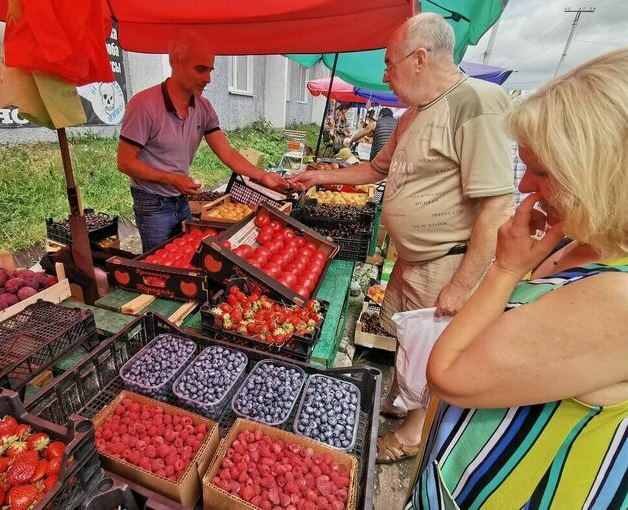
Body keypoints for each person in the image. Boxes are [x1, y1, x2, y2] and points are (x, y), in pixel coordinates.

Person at [407, 47, 628, 509]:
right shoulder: (584, 241)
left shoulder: (617, 299)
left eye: (542, 171)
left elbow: (449, 375)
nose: (525, 185)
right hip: (459, 481)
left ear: (607, 176)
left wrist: (506, 269)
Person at [289, 12, 515, 463]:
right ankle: (400, 400)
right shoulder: (412, 115)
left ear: (419, 58)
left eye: (389, 64)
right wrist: (319, 176)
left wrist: (462, 284)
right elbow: (375, 169)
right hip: (413, 259)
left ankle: (413, 435)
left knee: (434, 352)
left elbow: (496, 205)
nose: (385, 75)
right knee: (405, 338)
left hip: (446, 261)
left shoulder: (475, 103)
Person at [117, 32, 287, 252]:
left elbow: (227, 153)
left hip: (181, 198)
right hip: (152, 202)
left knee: (185, 256)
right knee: (159, 263)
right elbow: (125, 162)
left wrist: (262, 176)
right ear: (176, 62)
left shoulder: (204, 108)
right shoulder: (144, 105)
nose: (208, 79)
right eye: (200, 69)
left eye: (210, 70)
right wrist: (172, 179)